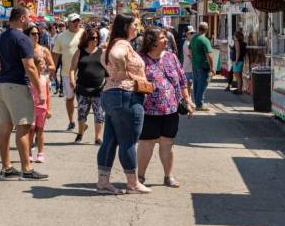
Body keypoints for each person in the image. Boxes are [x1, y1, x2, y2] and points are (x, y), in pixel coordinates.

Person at [0, 6, 48, 180]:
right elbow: (29, 67)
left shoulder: (1, 37)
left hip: (3, 85)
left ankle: (6, 167)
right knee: (23, 128)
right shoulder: (23, 39)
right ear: (22, 18)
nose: (30, 20)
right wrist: (40, 90)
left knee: (5, 127)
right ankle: (27, 170)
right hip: (17, 85)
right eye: (28, 17)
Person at [97, 14, 152, 194]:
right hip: (126, 95)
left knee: (110, 140)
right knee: (128, 141)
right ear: (126, 27)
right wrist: (121, 70)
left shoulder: (113, 43)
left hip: (111, 94)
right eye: (135, 25)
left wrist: (114, 72)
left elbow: (102, 58)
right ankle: (132, 183)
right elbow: (115, 55)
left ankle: (103, 182)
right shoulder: (122, 45)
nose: (137, 28)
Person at [137, 28, 195, 188]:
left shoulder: (171, 57)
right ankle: (140, 177)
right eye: (162, 38)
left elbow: (182, 81)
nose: (166, 40)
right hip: (149, 110)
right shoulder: (140, 59)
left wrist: (188, 101)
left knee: (167, 143)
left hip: (171, 109)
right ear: (152, 42)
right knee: (146, 143)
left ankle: (168, 176)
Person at [69, 26, 106, 144]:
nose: (94, 40)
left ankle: (98, 137)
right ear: (86, 38)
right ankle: (80, 133)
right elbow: (72, 69)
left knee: (99, 114)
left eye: (96, 38)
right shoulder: (80, 52)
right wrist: (72, 80)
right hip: (83, 88)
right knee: (82, 113)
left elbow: (109, 70)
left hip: (99, 89)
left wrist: (108, 83)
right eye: (91, 38)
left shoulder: (102, 52)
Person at [24, 25, 55, 163]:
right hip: (28, 86)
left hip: (42, 82)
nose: (36, 36)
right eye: (33, 33)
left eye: (38, 34)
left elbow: (53, 66)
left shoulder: (43, 50)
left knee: (40, 130)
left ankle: (40, 152)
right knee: (30, 129)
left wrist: (43, 66)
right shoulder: (23, 49)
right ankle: (29, 150)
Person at [52, 13, 84, 131]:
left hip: (83, 73)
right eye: (74, 21)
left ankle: (82, 121)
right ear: (69, 23)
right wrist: (53, 70)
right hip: (66, 72)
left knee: (82, 99)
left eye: (78, 21)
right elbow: (55, 54)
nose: (77, 23)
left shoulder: (84, 34)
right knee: (70, 98)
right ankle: (71, 121)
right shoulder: (61, 36)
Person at [190, 22, 214, 111]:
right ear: (207, 30)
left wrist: (194, 60)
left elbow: (190, 52)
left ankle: (197, 103)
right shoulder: (204, 40)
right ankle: (199, 104)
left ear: (198, 28)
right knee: (202, 85)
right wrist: (212, 67)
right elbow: (209, 55)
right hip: (203, 66)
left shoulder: (193, 38)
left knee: (196, 85)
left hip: (195, 65)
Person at [231, 30, 247, 95]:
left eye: (234, 35)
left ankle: (239, 89)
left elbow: (238, 52)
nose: (233, 36)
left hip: (237, 60)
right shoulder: (243, 43)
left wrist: (236, 60)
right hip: (241, 60)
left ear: (236, 36)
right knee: (239, 75)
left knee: (238, 76)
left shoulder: (236, 42)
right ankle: (239, 88)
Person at [182, 26, 195, 97]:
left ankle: (188, 100)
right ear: (187, 34)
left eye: (193, 33)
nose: (193, 34)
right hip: (188, 68)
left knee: (189, 85)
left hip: (190, 67)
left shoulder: (190, 42)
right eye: (191, 33)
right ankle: (187, 100)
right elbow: (191, 56)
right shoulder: (187, 44)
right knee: (187, 86)